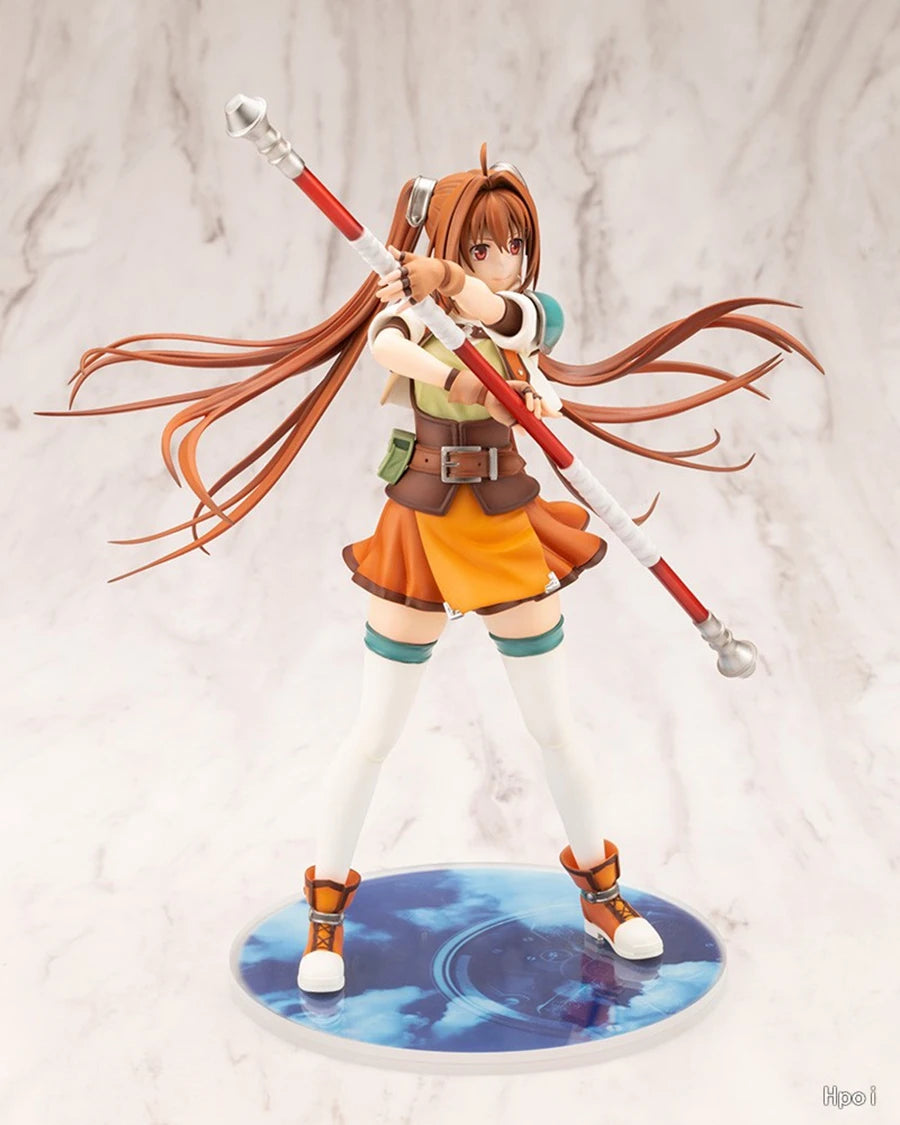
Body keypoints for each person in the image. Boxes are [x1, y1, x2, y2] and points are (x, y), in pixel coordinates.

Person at [59, 145, 820, 994]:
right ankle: (325, 913)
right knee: (374, 731)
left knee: (554, 725)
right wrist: (453, 364)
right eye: (482, 245)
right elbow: (388, 346)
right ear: (451, 240)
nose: (504, 260)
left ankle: (602, 895)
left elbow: (520, 318)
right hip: (420, 527)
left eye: (513, 245)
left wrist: (468, 302)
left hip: (506, 525)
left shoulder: (524, 315)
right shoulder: (416, 313)